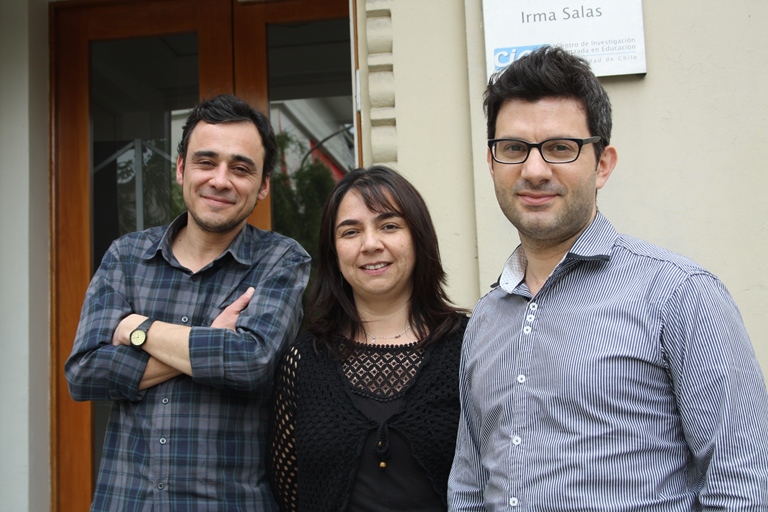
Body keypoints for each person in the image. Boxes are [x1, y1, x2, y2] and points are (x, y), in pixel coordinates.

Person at [447, 46, 768, 511]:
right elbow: (470, 490)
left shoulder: (679, 295)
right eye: (514, 149)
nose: (534, 170)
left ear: (602, 164)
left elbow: (744, 487)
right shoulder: (484, 320)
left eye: (560, 147)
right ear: (493, 163)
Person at [65, 94, 311, 511]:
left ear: (264, 185)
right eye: (205, 162)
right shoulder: (126, 256)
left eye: (241, 168)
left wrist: (138, 330)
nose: (220, 179)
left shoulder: (282, 260)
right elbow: (85, 372)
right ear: (181, 169)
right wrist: (210, 344)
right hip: (127, 501)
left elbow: (251, 362)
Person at [269, 165, 468, 511]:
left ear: (418, 237)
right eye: (350, 232)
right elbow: (288, 490)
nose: (370, 244)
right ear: (333, 252)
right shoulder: (304, 360)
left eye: (389, 226)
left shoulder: (469, 347)